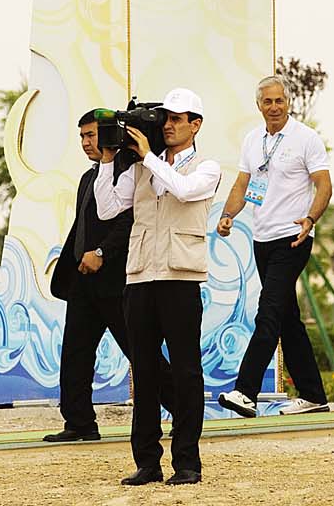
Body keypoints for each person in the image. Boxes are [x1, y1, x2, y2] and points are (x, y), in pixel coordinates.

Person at [94, 87, 221, 487]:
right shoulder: (142, 165)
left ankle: (187, 462)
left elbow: (183, 191)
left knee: (185, 371)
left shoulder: (208, 166)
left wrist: (147, 156)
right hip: (140, 276)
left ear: (195, 124)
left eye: (177, 118)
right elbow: (109, 208)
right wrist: (108, 160)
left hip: (180, 277)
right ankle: (147, 462)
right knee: (144, 372)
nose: (167, 124)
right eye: (164, 117)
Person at [216, 77, 333, 418]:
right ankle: (313, 394)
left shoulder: (305, 138)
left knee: (267, 312)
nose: (274, 107)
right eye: (268, 102)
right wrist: (227, 216)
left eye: (279, 100)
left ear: (288, 102)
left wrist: (311, 218)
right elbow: (243, 185)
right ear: (259, 106)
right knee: (287, 320)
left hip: (293, 237)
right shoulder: (253, 141)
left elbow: (324, 186)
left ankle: (245, 391)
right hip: (262, 240)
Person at [44, 109, 134, 442]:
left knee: (138, 350)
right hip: (83, 280)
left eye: (92, 135)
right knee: (75, 352)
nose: (85, 142)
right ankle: (79, 422)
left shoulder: (129, 171)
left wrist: (101, 253)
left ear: (110, 135)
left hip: (116, 279)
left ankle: (182, 409)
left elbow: (128, 222)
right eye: (82, 136)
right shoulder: (88, 177)